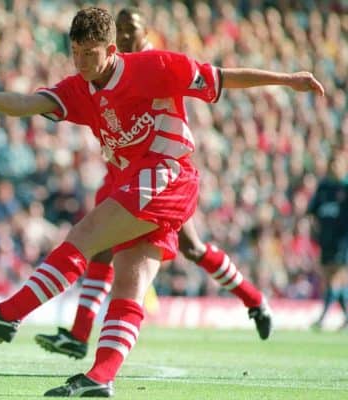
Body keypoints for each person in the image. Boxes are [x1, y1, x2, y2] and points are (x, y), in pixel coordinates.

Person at [0, 7, 324, 397]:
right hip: (137, 182)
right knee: (128, 281)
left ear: (111, 49)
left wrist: (287, 80)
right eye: (75, 52)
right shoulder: (80, 88)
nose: (80, 62)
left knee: (87, 235)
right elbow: (29, 103)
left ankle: (9, 314)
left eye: (89, 53)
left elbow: (222, 77)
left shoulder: (156, 66)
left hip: (168, 174)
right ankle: (100, 378)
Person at [34, 7, 271, 361]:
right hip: (120, 171)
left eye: (133, 30)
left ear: (146, 33)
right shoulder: (107, 68)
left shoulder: (151, 65)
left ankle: (253, 298)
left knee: (191, 248)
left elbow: (204, 85)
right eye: (123, 30)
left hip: (158, 174)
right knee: (99, 244)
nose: (127, 36)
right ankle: (80, 333)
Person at [308, 152, 348, 330]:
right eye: (331, 163)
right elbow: (312, 212)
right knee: (330, 277)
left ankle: (323, 318)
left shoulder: (346, 187)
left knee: (336, 277)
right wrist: (314, 230)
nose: (333, 167)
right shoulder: (323, 187)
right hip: (326, 239)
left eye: (337, 163)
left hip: (343, 239)